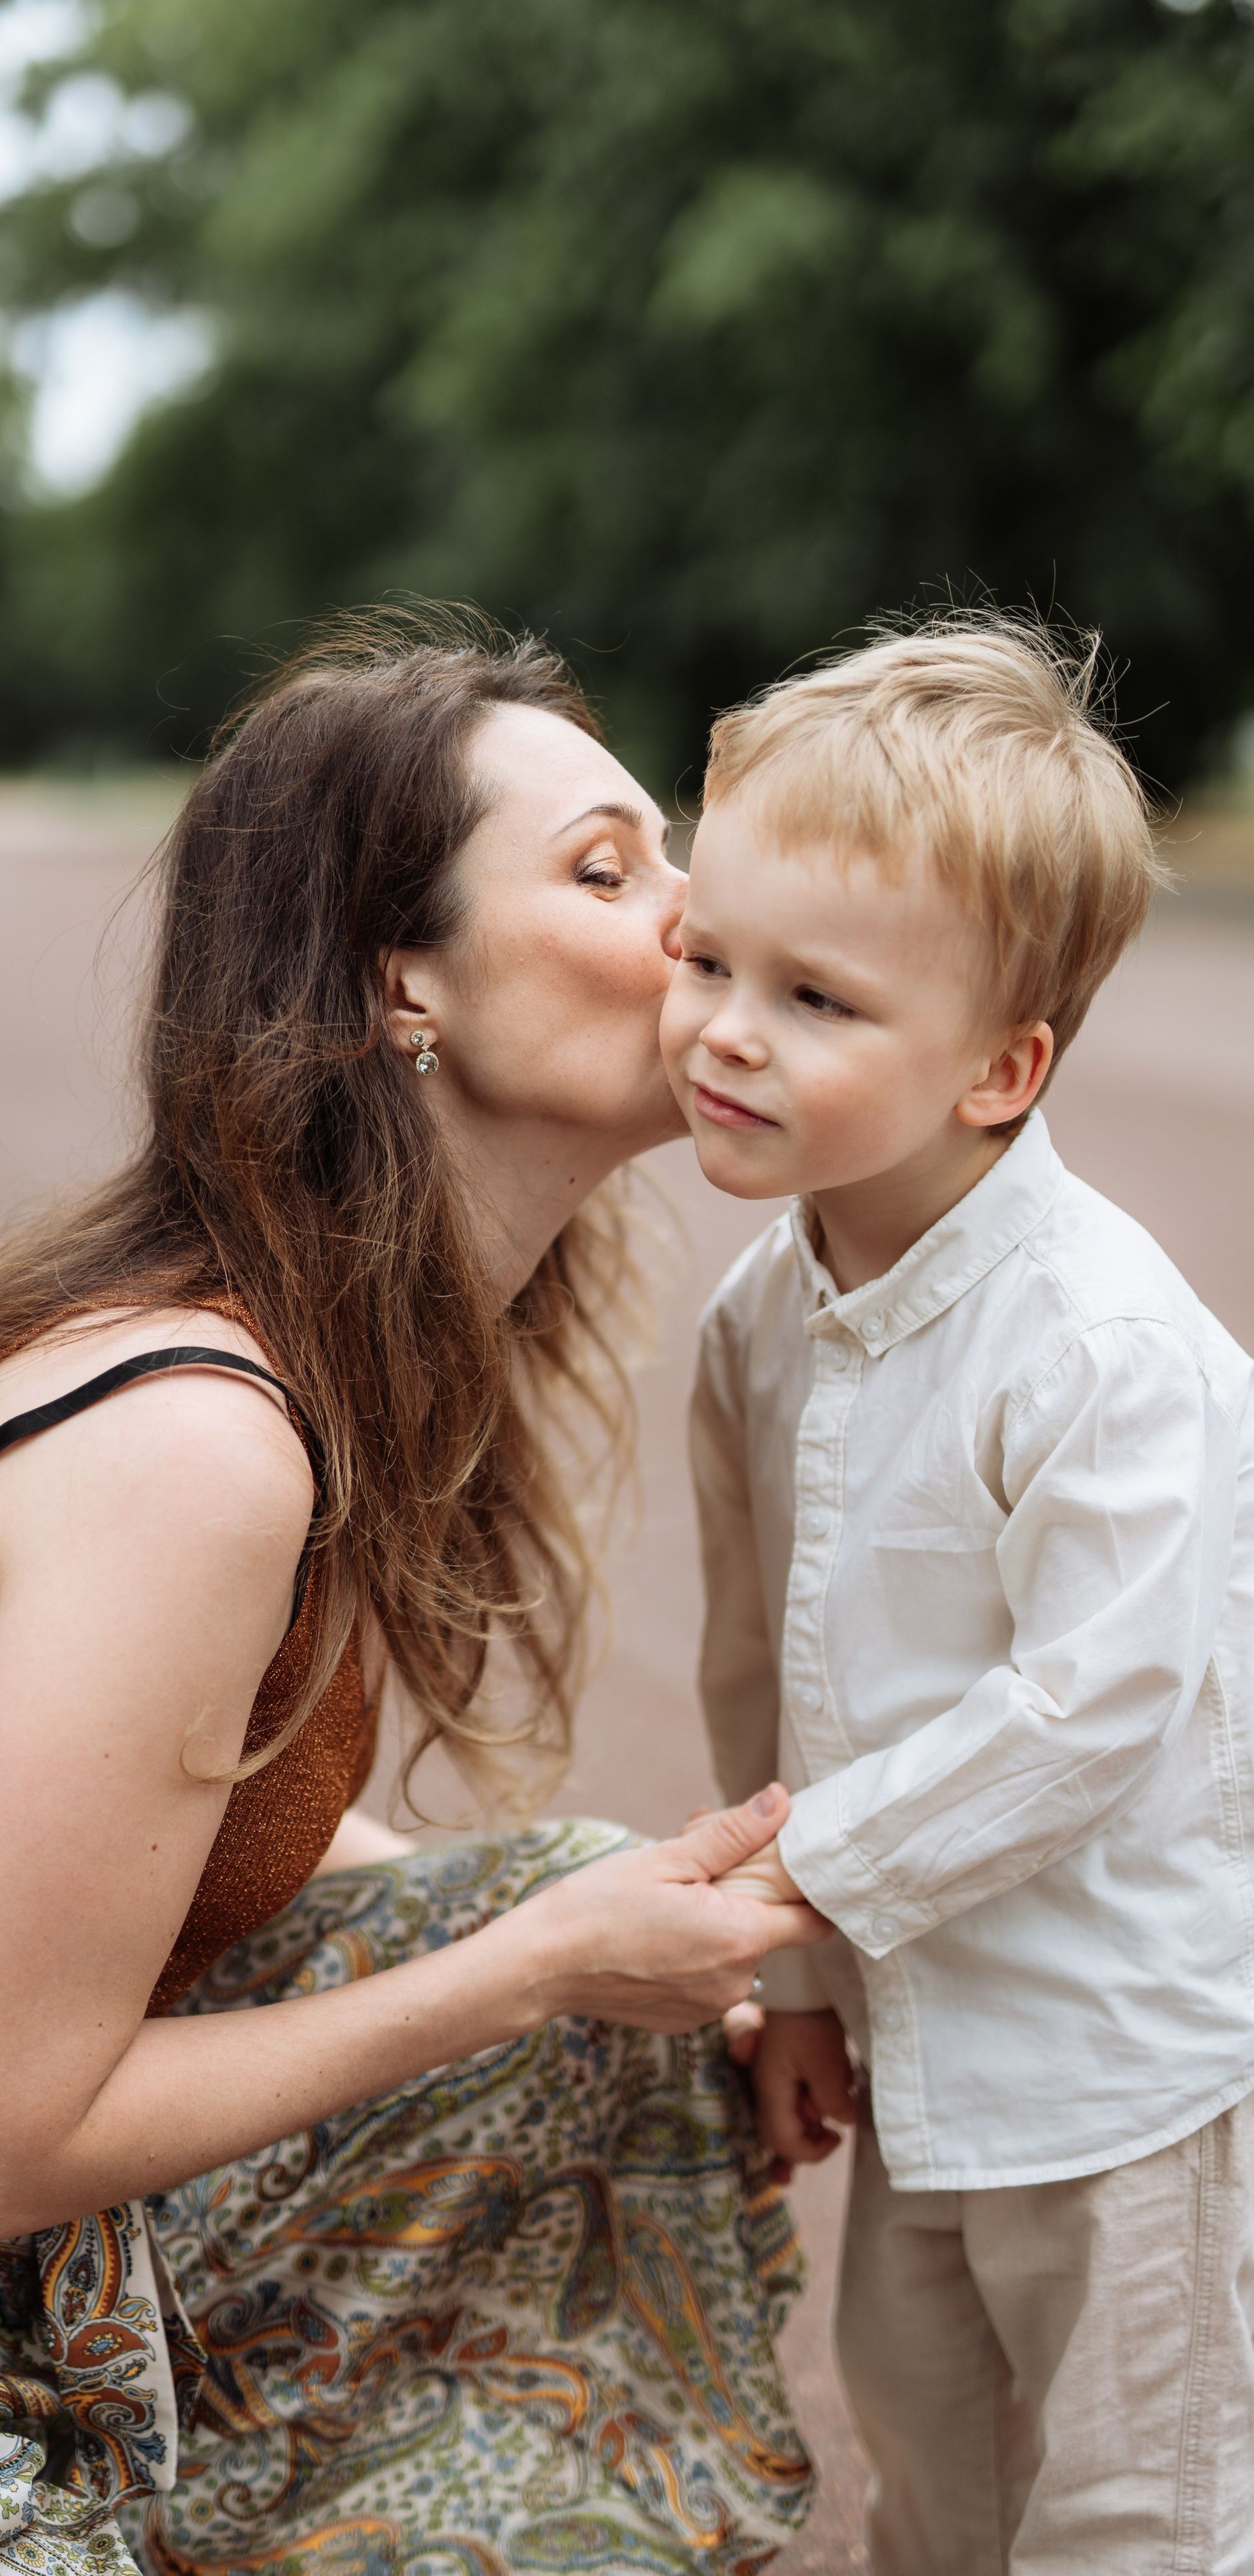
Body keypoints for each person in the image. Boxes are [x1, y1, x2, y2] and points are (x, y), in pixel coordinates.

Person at [0, 610, 831, 2576]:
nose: (688, 907)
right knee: (545, 1964)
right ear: (405, 983)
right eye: (607, 865)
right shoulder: (201, 1449)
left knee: (575, 1960)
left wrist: (628, 1942)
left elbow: (204, 1823)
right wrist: (550, 1957)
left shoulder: (348, 1361)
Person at [663, 613, 1254, 2575]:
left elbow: (1098, 1708)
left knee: (1136, 2521)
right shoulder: (762, 1323)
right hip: (909, 2037)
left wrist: (787, 1881)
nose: (728, 1030)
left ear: (1004, 1067)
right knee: (932, 2493)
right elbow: (765, 1669)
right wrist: (805, 1974)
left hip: (1124, 2067)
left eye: (817, 997)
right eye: (707, 960)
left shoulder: (1097, 1345)